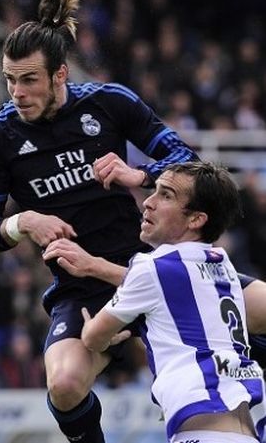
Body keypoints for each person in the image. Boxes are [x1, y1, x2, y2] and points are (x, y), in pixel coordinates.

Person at [0, 0, 199, 442]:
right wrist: (24, 221)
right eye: (10, 79)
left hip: (149, 268)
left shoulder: (110, 103)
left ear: (60, 75)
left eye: (29, 79)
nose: (17, 92)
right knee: (65, 384)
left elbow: (188, 164)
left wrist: (141, 175)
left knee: (261, 312)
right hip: (81, 288)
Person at [81, 162, 266, 443]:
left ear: (196, 219)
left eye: (166, 195)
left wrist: (90, 328)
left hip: (204, 433)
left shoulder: (151, 267)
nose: (149, 202)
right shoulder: (222, 264)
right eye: (153, 191)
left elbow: (94, 338)